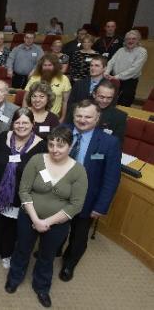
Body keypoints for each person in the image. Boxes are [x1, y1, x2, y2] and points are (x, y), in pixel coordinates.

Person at [5, 126, 87, 308]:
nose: (55, 150)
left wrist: (47, 222)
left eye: (61, 145)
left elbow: (76, 205)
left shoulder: (79, 171)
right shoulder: (36, 160)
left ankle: (42, 287)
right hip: (29, 217)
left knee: (47, 256)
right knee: (22, 249)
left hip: (58, 224)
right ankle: (14, 278)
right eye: (51, 145)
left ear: (70, 146)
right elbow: (24, 191)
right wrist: (35, 219)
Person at [58, 100, 121, 283]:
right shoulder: (63, 130)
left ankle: (69, 264)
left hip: (86, 199)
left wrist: (101, 206)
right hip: (58, 194)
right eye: (79, 115)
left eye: (88, 116)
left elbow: (111, 178)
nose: (82, 120)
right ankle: (55, 249)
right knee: (56, 226)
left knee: (78, 236)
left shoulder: (109, 142)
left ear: (97, 118)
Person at [0, 108, 46, 268]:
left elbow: (44, 174)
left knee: (11, 228)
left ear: (33, 124)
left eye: (25, 122)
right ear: (12, 124)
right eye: (17, 122)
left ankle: (7, 254)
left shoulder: (41, 146)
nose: (21, 126)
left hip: (19, 196)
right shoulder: (3, 137)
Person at [106, 29, 148, 106]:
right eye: (128, 39)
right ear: (125, 40)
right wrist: (106, 72)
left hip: (129, 82)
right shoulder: (121, 50)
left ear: (138, 40)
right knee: (111, 101)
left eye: (133, 39)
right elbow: (111, 62)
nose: (130, 41)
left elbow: (134, 69)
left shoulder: (142, 51)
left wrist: (116, 77)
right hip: (115, 80)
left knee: (124, 103)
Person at [24, 54, 71, 119]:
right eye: (45, 65)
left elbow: (65, 102)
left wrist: (62, 118)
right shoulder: (34, 78)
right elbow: (25, 99)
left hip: (54, 117)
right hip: (33, 116)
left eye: (50, 65)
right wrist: (24, 115)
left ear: (55, 66)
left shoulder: (64, 79)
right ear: (41, 66)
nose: (47, 68)